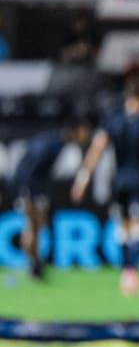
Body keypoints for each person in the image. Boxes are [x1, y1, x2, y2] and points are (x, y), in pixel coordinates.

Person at [70, 64, 139, 295]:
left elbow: (95, 151)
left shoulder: (113, 120)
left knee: (124, 229)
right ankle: (130, 272)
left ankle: (126, 272)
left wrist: (82, 180)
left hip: (119, 182)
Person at [8, 117, 92, 280]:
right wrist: (27, 191)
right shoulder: (53, 143)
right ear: (76, 130)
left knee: (35, 227)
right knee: (33, 226)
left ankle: (34, 264)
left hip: (32, 187)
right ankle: (33, 265)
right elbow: (30, 166)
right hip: (30, 188)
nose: (86, 136)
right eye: (84, 131)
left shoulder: (55, 141)